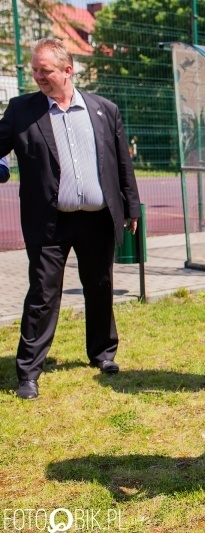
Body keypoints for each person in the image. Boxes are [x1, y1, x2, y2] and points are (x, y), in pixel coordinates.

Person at [0, 37, 141, 400]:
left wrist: (132, 207)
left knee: (99, 286)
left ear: (67, 70)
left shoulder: (103, 109)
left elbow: (122, 164)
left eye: (44, 70)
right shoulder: (21, 111)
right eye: (34, 70)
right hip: (49, 222)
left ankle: (103, 354)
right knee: (43, 293)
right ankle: (29, 371)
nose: (37, 77)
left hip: (96, 218)